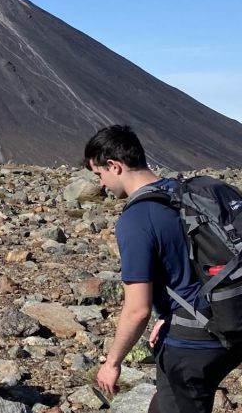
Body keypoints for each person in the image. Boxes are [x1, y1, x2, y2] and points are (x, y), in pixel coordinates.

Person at [86, 125, 242, 412]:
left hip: (195, 344)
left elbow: (137, 310)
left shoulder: (136, 220)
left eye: (99, 175)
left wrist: (112, 363)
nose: (101, 185)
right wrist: (171, 314)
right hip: (230, 317)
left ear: (114, 166)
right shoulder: (184, 194)